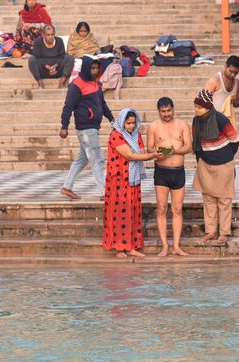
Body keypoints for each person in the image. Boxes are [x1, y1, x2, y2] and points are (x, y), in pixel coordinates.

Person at [102, 108, 161, 258]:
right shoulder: (116, 136)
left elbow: (140, 153)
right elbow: (129, 155)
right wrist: (151, 156)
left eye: (133, 123)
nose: (131, 126)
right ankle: (120, 248)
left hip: (133, 180)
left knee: (132, 212)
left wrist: (154, 153)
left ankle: (132, 246)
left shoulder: (136, 135)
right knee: (121, 213)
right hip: (119, 180)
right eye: (128, 123)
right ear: (122, 122)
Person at [59, 55, 114, 200]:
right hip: (85, 128)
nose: (95, 71)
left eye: (97, 68)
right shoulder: (76, 85)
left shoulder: (96, 84)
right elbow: (68, 107)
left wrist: (112, 119)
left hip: (93, 127)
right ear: (86, 68)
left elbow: (103, 104)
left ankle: (67, 187)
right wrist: (64, 126)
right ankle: (104, 192)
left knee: (82, 160)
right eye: (92, 68)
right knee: (97, 159)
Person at [192, 89, 239, 244]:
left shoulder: (221, 119)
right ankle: (210, 231)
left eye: (198, 107)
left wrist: (225, 156)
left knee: (224, 199)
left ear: (207, 107)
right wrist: (201, 160)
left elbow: (235, 140)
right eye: (195, 107)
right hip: (205, 164)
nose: (196, 110)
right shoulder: (196, 120)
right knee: (208, 199)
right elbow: (197, 142)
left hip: (223, 164)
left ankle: (224, 232)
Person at [147, 97, 192, 257]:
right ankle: (165, 246)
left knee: (178, 209)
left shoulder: (182, 125)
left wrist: (175, 150)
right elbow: (150, 148)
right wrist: (157, 154)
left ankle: (176, 246)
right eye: (163, 111)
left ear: (173, 109)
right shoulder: (154, 126)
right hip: (161, 171)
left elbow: (188, 146)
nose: (166, 114)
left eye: (169, 110)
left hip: (178, 171)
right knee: (161, 209)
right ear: (159, 111)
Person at [28, 24, 75, 89]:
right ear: (43, 35)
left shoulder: (59, 41)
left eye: (52, 34)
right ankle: (40, 83)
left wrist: (55, 66)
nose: (50, 37)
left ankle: (62, 83)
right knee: (32, 59)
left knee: (70, 58)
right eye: (48, 35)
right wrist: (47, 67)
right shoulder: (38, 42)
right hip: (43, 71)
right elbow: (37, 57)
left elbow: (62, 56)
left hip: (57, 70)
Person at [205, 55, 239, 123]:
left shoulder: (238, 83)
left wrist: (234, 100)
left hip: (228, 123)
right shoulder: (215, 80)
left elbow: (238, 103)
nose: (233, 75)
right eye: (231, 71)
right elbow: (203, 101)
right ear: (225, 66)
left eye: (236, 72)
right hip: (213, 121)